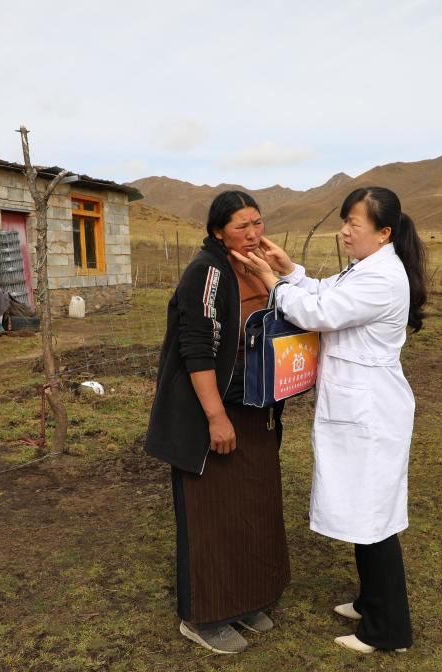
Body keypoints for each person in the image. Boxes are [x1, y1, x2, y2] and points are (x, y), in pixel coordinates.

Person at [230, 186, 427, 654]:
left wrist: (272, 281)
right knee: (366, 510)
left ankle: (387, 630)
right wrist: (289, 270)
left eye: (353, 224)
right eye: (344, 223)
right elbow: (326, 291)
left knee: (373, 517)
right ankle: (370, 600)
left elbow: (319, 312)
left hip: (371, 411)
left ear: (383, 232)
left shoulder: (383, 278)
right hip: (359, 406)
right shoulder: (367, 267)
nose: (344, 232)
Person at [145, 190, 290, 655]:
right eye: (241, 226)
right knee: (211, 515)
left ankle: (245, 600)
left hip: (253, 410)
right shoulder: (207, 272)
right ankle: (204, 617)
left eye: (257, 223)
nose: (253, 233)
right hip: (212, 414)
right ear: (217, 232)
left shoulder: (255, 267)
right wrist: (215, 417)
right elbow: (197, 349)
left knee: (251, 508)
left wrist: (281, 275)